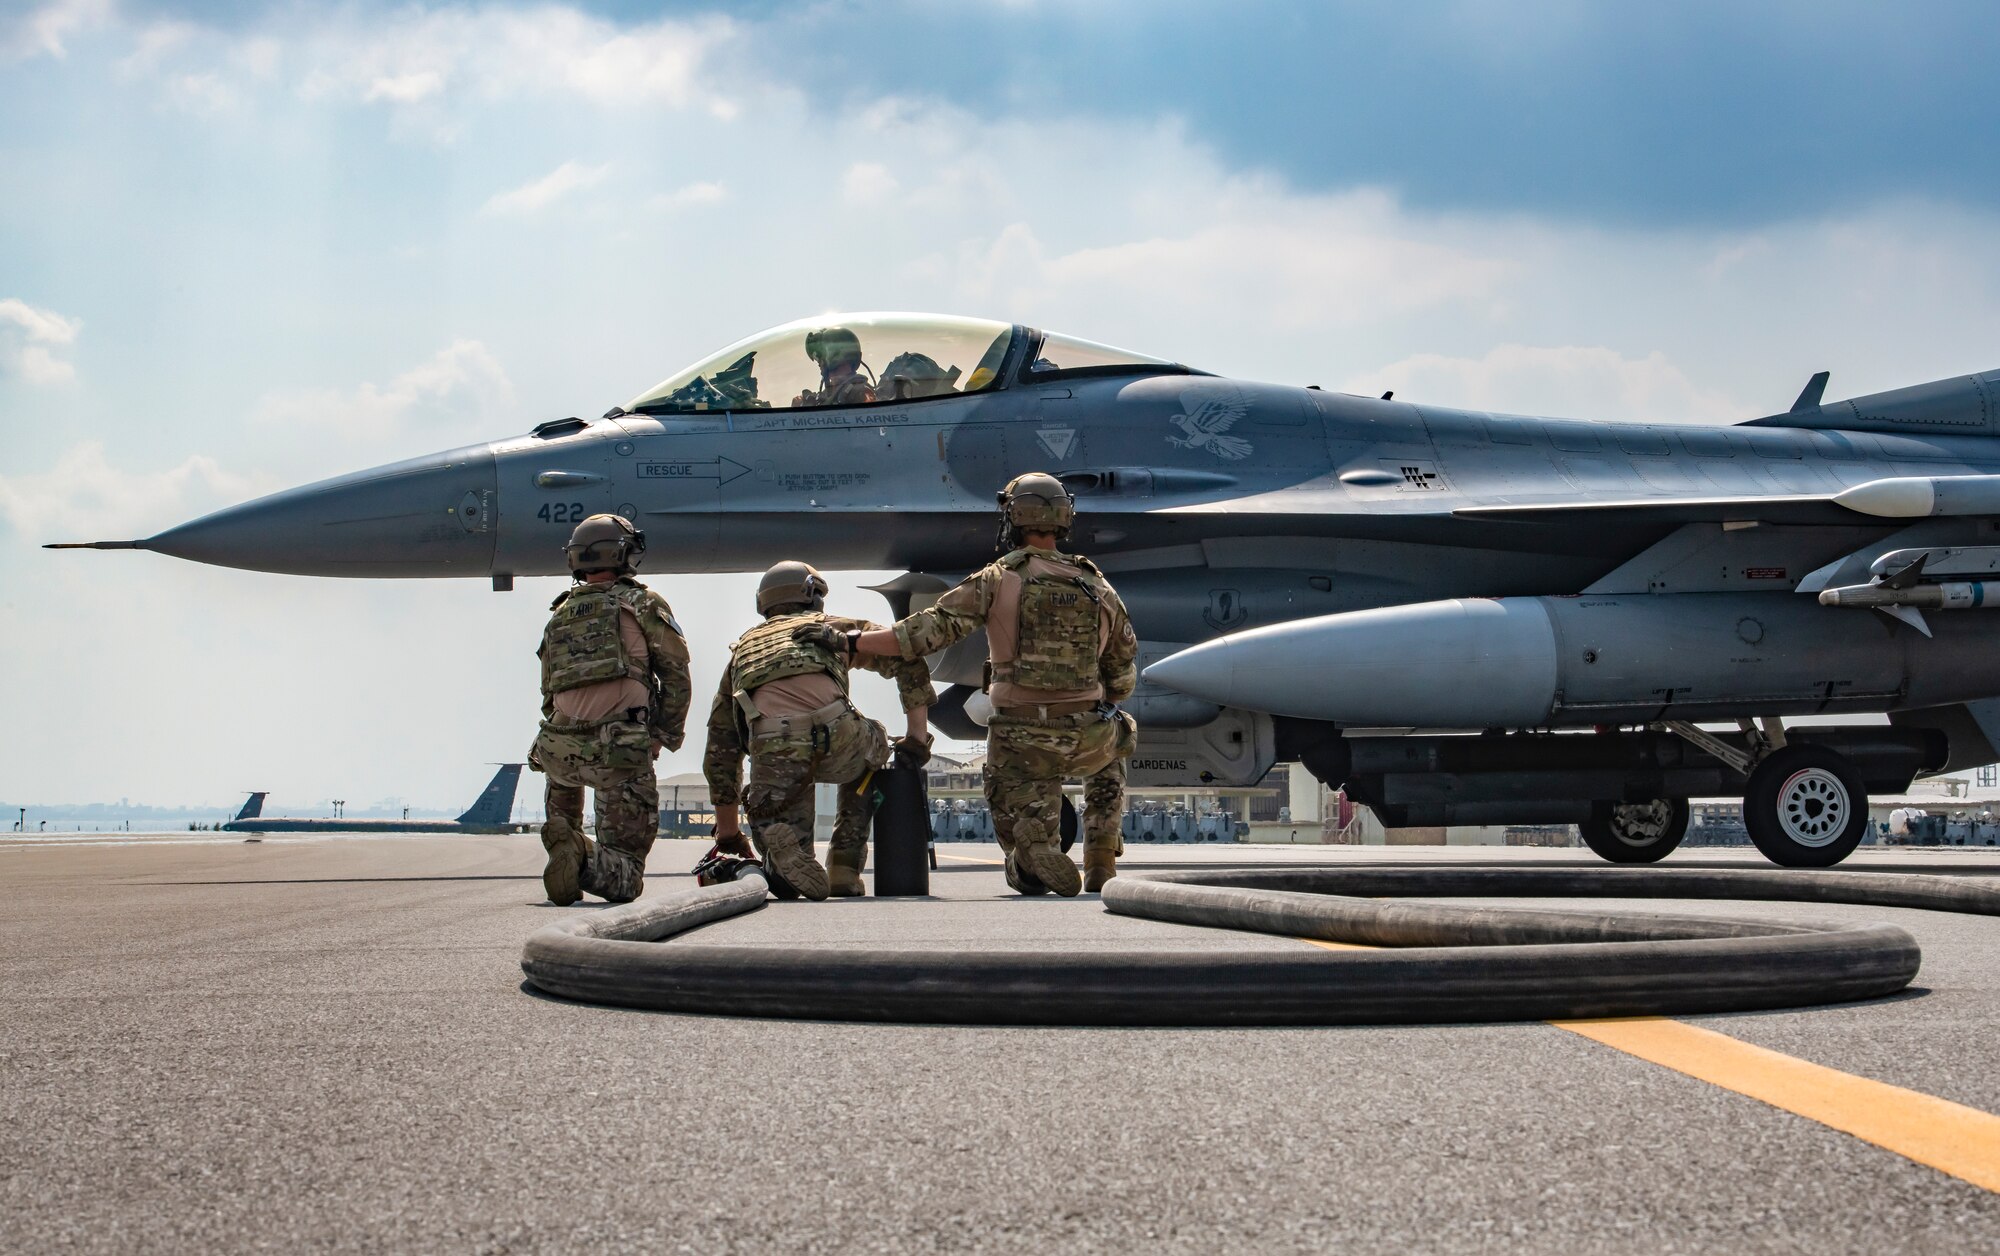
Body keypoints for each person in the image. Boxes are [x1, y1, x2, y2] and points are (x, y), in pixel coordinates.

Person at [796, 473, 1137, 896]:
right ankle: (1101, 859)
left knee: (1027, 864)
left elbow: (923, 634)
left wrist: (850, 640)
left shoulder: (998, 578)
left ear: (1013, 518)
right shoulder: (1098, 586)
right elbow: (1122, 676)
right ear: (1064, 518)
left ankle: (1031, 853)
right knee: (1119, 735)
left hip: (1021, 740)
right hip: (1088, 736)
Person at [704, 561, 935, 899]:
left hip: (775, 748)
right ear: (814, 596)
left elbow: (720, 748)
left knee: (784, 882)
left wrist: (727, 832)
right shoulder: (834, 628)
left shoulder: (743, 651)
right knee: (875, 746)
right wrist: (917, 737)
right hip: (839, 734)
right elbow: (905, 654)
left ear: (763, 603)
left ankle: (782, 858)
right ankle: (843, 865)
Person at [529, 514, 691, 905]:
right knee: (626, 876)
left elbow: (549, 692)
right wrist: (662, 736)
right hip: (618, 750)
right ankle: (582, 855)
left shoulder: (559, 613)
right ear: (623, 554)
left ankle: (568, 851)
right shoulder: (642, 603)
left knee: (565, 820)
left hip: (558, 751)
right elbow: (676, 676)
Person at [792, 326, 876, 408]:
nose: (819, 364)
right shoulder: (828, 395)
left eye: (820, 358)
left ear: (833, 354)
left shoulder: (861, 393)